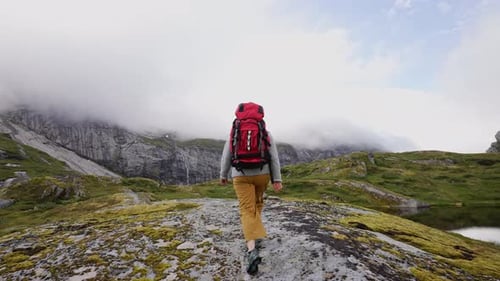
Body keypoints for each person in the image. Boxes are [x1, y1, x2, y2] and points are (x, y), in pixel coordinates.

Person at [220, 102, 283, 275]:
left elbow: (226, 155)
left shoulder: (235, 132)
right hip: (262, 174)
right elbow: (274, 157)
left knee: (246, 209)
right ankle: (255, 235)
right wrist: (276, 179)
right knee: (257, 203)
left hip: (240, 174)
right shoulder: (265, 133)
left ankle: (251, 249)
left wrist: (223, 175)